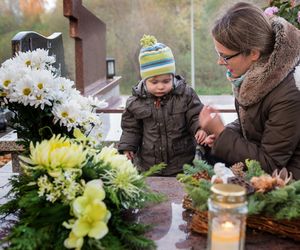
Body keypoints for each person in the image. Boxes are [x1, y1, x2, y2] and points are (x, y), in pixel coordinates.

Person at [199, 2, 300, 180]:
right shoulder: (257, 75)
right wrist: (220, 134)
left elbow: (270, 165)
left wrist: (223, 134)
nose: (220, 62)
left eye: (225, 56)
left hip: (288, 187)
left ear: (254, 53)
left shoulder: (289, 94)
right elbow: (255, 122)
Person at [118, 35, 209, 176]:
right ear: (144, 80)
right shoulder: (136, 101)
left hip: (182, 162)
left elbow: (196, 115)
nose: (160, 86)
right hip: (149, 165)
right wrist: (127, 147)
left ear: (173, 77)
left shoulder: (185, 95)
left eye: (166, 81)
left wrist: (200, 128)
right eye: (154, 82)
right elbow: (131, 129)